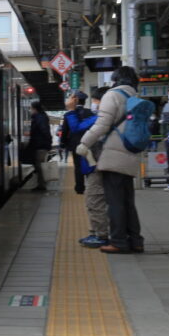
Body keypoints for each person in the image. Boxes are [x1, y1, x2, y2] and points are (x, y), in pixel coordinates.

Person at [77, 66, 144, 254]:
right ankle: (136, 241)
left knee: (114, 201)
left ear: (115, 79)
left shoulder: (112, 95)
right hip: (129, 153)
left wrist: (84, 143)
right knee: (127, 201)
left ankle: (118, 242)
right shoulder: (135, 96)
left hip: (113, 154)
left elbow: (102, 125)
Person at [78, 87, 110, 248]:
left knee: (94, 198)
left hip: (98, 164)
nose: (94, 104)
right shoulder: (109, 116)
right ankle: (98, 232)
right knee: (100, 199)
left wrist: (71, 110)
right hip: (101, 162)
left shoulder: (102, 117)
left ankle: (101, 235)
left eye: (96, 101)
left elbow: (78, 126)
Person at [60, 90, 93, 194]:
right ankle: (92, 186)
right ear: (84, 101)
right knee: (90, 163)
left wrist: (63, 143)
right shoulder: (90, 113)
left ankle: (79, 188)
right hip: (89, 144)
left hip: (75, 145)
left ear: (75, 100)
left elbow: (65, 130)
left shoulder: (68, 114)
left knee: (78, 166)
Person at [28, 100, 52, 191]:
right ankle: (41, 184)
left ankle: (42, 185)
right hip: (40, 145)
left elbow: (45, 131)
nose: (30, 110)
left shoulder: (39, 118)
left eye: (31, 108)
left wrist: (48, 143)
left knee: (40, 166)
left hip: (41, 145)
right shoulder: (40, 117)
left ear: (35, 109)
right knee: (39, 166)